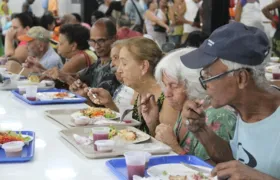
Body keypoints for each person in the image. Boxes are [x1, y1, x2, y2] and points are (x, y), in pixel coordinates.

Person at [180, 22, 280, 179]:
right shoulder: (245, 109)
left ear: (241, 78)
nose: (204, 85)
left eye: (208, 76)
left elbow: (249, 173)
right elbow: (235, 163)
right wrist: (201, 130)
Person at [152, 47, 236, 164]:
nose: (166, 93)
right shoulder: (187, 109)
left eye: (174, 86)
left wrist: (174, 148)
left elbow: (213, 172)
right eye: (165, 85)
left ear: (194, 83)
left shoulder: (217, 115)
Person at [43, 18, 120, 102]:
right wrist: (64, 76)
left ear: (114, 38)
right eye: (93, 41)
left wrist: (67, 78)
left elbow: (102, 103)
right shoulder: (98, 63)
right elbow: (77, 77)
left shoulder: (117, 67)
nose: (96, 46)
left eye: (101, 41)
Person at [117, 37, 178, 136]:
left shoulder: (168, 100)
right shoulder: (138, 92)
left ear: (144, 66)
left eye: (124, 63)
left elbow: (168, 147)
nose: (119, 70)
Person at [87, 40, 134, 120]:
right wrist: (108, 103)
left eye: (116, 58)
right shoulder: (124, 86)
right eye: (111, 59)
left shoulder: (137, 89)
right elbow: (121, 118)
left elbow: (131, 124)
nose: (111, 64)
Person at [26, 24, 97, 74]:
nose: (57, 46)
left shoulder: (80, 57)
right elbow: (57, 77)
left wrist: (39, 69)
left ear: (73, 46)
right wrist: (40, 67)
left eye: (61, 43)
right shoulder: (82, 54)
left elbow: (58, 78)